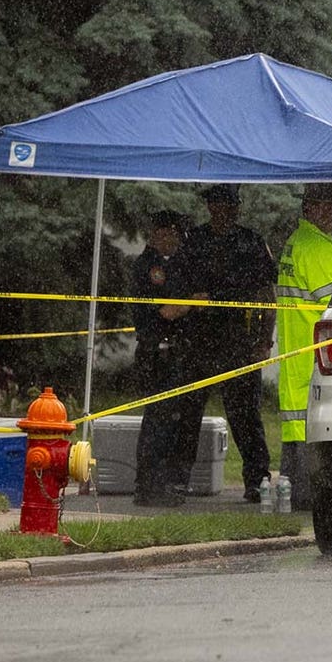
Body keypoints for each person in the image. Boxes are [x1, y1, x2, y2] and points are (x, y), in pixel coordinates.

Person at [172, 183, 277, 502]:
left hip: (239, 340)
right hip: (199, 340)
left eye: (227, 205)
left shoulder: (250, 242)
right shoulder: (194, 242)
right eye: (216, 205)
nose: (221, 211)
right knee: (187, 411)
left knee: (245, 415)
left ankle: (256, 480)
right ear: (209, 208)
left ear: (236, 208)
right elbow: (181, 292)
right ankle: (177, 480)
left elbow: (266, 297)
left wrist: (264, 341)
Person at [277, 183, 332, 510]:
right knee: (310, 432)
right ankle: (306, 499)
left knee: (297, 431)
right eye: (328, 206)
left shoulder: (298, 241)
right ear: (311, 208)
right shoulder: (316, 248)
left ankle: (295, 495)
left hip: (298, 351)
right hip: (316, 354)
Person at [130, 210, 197, 507]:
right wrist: (191, 304)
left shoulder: (180, 265)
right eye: (168, 233)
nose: (173, 240)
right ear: (157, 234)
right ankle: (147, 485)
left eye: (177, 234)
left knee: (175, 421)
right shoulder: (146, 267)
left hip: (177, 351)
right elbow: (164, 312)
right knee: (157, 420)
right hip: (155, 352)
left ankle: (170, 483)